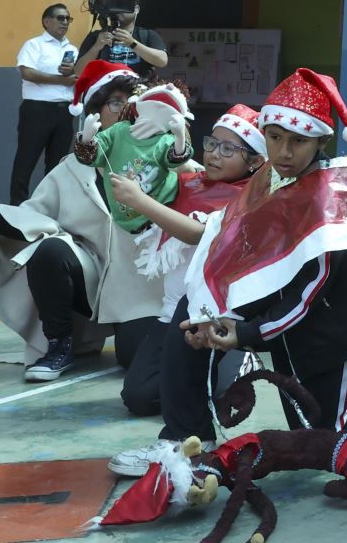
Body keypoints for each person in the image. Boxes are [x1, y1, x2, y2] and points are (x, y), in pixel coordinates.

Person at [153, 69, 347, 444]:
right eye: (274, 138)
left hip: (327, 331)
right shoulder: (270, 175)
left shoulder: (330, 202)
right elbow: (233, 241)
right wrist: (210, 312)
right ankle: (185, 438)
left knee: (323, 442)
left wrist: (243, 332)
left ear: (322, 140)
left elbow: (307, 298)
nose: (284, 152)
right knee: (190, 313)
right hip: (281, 317)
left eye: (298, 141)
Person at [0, 62, 160, 385]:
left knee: (133, 356)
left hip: (144, 288)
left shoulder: (165, 162)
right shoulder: (71, 170)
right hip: (92, 279)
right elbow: (35, 218)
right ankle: (59, 344)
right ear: (93, 113)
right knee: (50, 250)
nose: (126, 111)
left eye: (134, 103)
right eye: (116, 102)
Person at [104, 105, 264, 460]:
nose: (213, 154)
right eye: (211, 143)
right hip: (172, 311)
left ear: (253, 161)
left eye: (228, 149)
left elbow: (198, 234)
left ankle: (239, 362)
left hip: (215, 312)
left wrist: (140, 201)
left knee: (210, 390)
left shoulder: (250, 198)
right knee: (138, 398)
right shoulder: (188, 182)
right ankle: (193, 387)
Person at [72, 73, 197, 234]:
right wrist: (86, 139)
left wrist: (180, 138)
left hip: (160, 222)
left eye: (126, 102)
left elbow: (178, 159)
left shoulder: (167, 143)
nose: (122, 109)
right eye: (116, 103)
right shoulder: (117, 133)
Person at [12, 3, 80, 202]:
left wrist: (74, 76)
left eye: (68, 18)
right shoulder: (34, 45)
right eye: (60, 18)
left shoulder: (72, 49)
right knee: (26, 160)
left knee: (57, 164)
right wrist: (60, 80)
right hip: (37, 109)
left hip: (64, 111)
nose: (65, 22)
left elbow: (77, 76)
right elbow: (27, 72)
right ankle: (17, 206)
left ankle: (49, 207)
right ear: (46, 21)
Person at [75, 3, 168, 81]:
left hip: (138, 95)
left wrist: (133, 44)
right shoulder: (97, 37)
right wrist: (96, 47)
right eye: (116, 4)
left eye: (124, 4)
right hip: (104, 96)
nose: (119, 9)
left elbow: (162, 61)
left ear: (136, 9)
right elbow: (78, 72)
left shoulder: (147, 34)